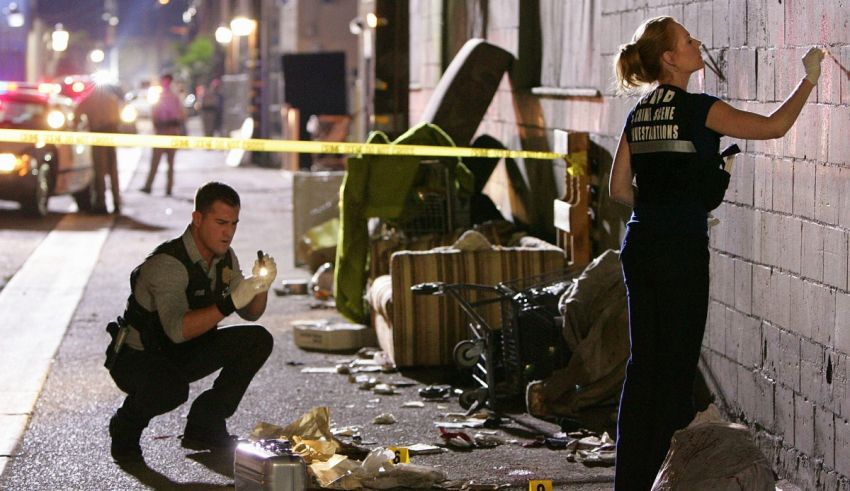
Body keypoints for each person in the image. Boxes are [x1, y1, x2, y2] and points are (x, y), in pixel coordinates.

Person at [608, 16, 824, 490]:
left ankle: (630, 481)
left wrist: (661, 208)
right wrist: (808, 79)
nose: (697, 43)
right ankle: (668, 481)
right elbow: (774, 127)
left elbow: (619, 189)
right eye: (688, 40)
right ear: (670, 58)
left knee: (643, 367)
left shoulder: (639, 113)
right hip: (680, 250)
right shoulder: (699, 108)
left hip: (640, 246)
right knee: (676, 370)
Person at [105, 181, 277, 463]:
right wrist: (229, 302)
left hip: (182, 350)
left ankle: (206, 423)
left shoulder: (224, 258)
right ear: (197, 219)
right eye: (220, 223)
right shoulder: (167, 264)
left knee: (257, 340)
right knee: (171, 389)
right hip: (140, 358)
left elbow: (251, 313)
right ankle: (125, 426)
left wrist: (261, 286)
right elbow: (177, 330)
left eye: (233, 224)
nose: (228, 233)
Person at [74, 84, 123, 214]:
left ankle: (101, 204)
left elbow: (77, 114)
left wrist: (79, 126)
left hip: (98, 137)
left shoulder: (90, 100)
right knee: (113, 171)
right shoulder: (112, 99)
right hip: (111, 137)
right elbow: (118, 119)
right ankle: (117, 202)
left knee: (99, 172)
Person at [141, 74, 186, 196]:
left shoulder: (174, 97)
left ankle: (168, 188)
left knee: (170, 163)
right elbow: (154, 114)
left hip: (171, 131)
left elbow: (181, 114)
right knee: (155, 162)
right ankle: (149, 186)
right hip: (161, 132)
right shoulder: (160, 96)